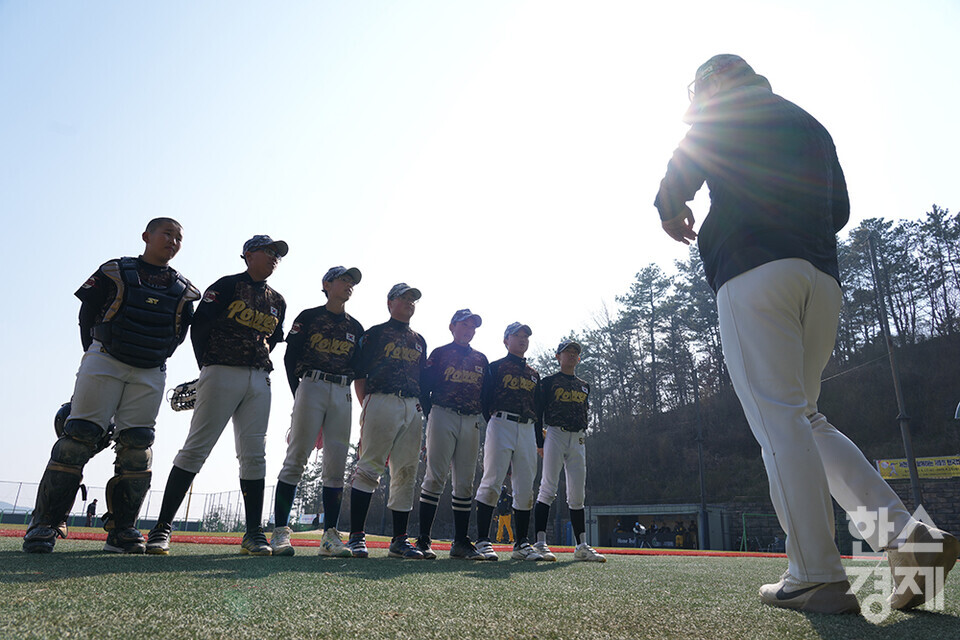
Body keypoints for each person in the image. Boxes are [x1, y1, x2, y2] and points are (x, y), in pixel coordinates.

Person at [654, 54, 959, 613]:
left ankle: (815, 574)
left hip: (753, 272)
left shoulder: (724, 112)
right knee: (805, 418)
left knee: (779, 424)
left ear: (715, 84)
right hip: (820, 278)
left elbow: (679, 175)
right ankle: (908, 542)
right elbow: (839, 209)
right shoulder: (808, 123)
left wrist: (670, 210)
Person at [22, 218, 199, 554]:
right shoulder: (115, 271)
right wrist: (94, 350)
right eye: (167, 234)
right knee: (78, 437)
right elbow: (87, 314)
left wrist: (150, 356)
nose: (173, 241)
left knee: (137, 444)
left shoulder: (184, 289)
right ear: (146, 236)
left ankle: (122, 529)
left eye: (179, 238)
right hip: (104, 357)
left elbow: (179, 333)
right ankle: (45, 524)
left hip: (150, 371)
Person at [146, 235, 287, 556]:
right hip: (221, 370)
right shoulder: (226, 286)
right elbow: (200, 326)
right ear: (249, 254)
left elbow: (274, 338)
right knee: (197, 448)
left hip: (260, 378)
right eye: (269, 252)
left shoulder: (278, 299)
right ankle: (161, 528)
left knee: (254, 454)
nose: (274, 258)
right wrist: (206, 368)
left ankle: (254, 533)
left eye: (278, 255)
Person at [270, 266, 364, 558]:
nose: (349, 284)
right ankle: (280, 532)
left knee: (336, 465)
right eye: (343, 279)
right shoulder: (309, 317)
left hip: (341, 392)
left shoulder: (356, 327)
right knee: (297, 457)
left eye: (352, 281)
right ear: (327, 284)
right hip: (311, 384)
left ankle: (330, 536)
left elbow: (360, 369)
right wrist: (298, 393)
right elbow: (290, 357)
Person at [347, 283, 428, 559]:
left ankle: (399, 540)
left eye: (412, 299)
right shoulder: (375, 334)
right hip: (380, 399)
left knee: (406, 471)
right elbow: (359, 375)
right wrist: (368, 406)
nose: (409, 302)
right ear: (389, 302)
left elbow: (423, 379)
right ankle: (356, 536)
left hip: (411, 404)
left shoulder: (419, 340)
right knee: (369, 467)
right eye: (403, 298)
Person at [417, 309, 489, 560]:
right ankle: (423, 540)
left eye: (473, 326)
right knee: (435, 477)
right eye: (464, 325)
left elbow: (487, 396)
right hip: (442, 413)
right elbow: (423, 387)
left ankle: (460, 542)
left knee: (465, 483)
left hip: (471, 420)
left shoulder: (481, 359)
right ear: (452, 326)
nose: (469, 330)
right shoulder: (439, 354)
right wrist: (432, 415)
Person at [474, 322, 543, 561]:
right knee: (492, 480)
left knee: (525, 485)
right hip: (500, 422)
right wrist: (493, 423)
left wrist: (537, 440)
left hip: (527, 428)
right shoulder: (495, 367)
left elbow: (537, 408)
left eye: (526, 336)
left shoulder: (534, 374)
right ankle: (483, 540)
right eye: (517, 335)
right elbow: (484, 400)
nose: (522, 339)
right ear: (506, 340)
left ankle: (522, 543)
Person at [532, 340, 606, 562]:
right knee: (548, 488)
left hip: (579, 437)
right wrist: (539, 441)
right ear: (558, 356)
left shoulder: (584, 385)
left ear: (579, 358)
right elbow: (538, 413)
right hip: (555, 432)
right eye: (567, 352)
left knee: (577, 493)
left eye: (575, 352)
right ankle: (540, 542)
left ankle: (581, 545)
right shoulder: (548, 382)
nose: (572, 355)